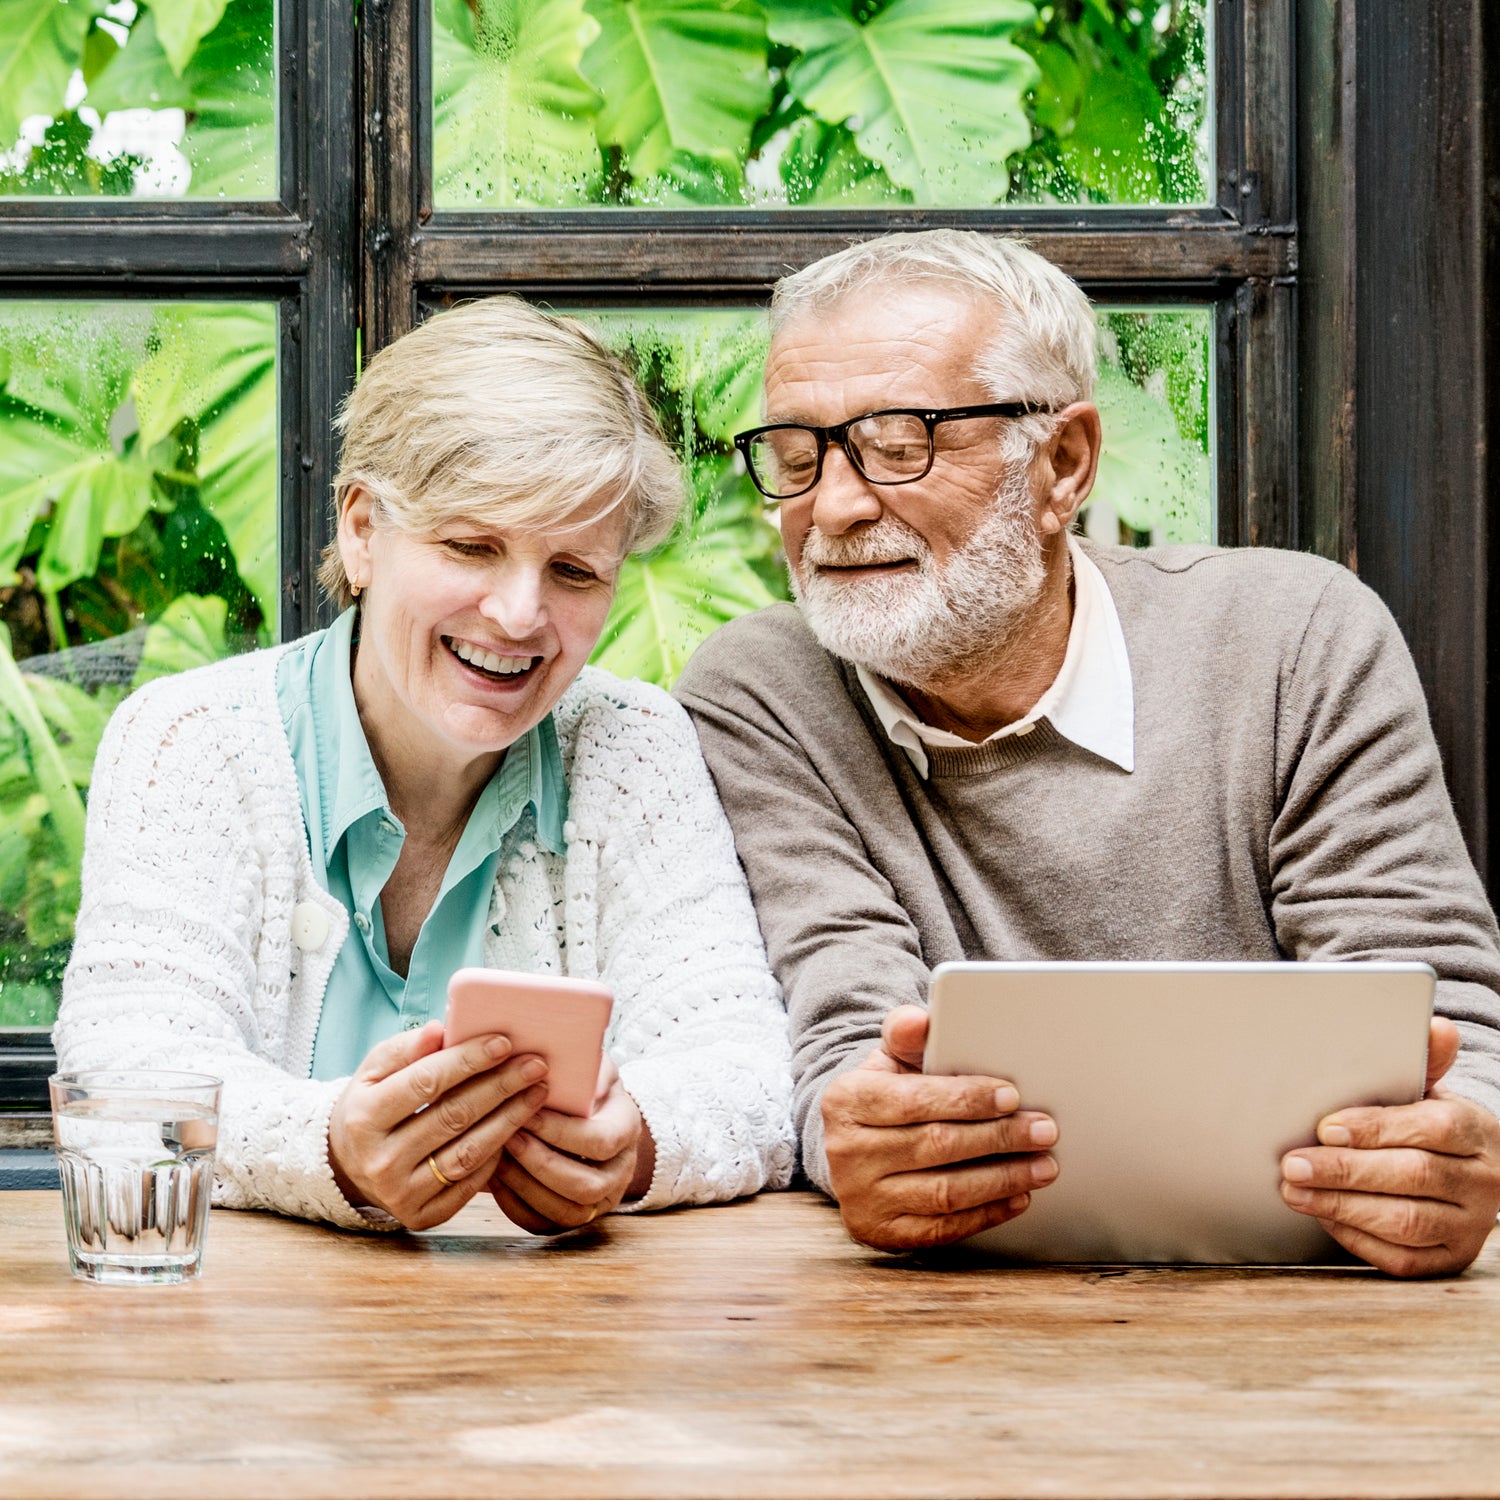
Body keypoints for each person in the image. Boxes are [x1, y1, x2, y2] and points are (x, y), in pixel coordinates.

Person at [675, 229, 1500, 1277]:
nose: (833, 508)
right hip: (938, 1318)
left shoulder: (1296, 638)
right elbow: (844, 1023)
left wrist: (1456, 1141)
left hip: (1316, 1298)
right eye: (797, 457)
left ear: (1062, 465)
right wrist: (863, 1140)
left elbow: (1439, 1012)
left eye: (900, 446)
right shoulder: (761, 692)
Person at [56, 296, 795, 1234]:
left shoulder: (634, 743)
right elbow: (125, 1077)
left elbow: (749, 1073)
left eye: (574, 571)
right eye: (472, 546)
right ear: (362, 531)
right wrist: (333, 1147)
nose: (522, 615)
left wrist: (636, 1139)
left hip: (561, 1346)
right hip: (250, 1350)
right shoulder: (188, 734)